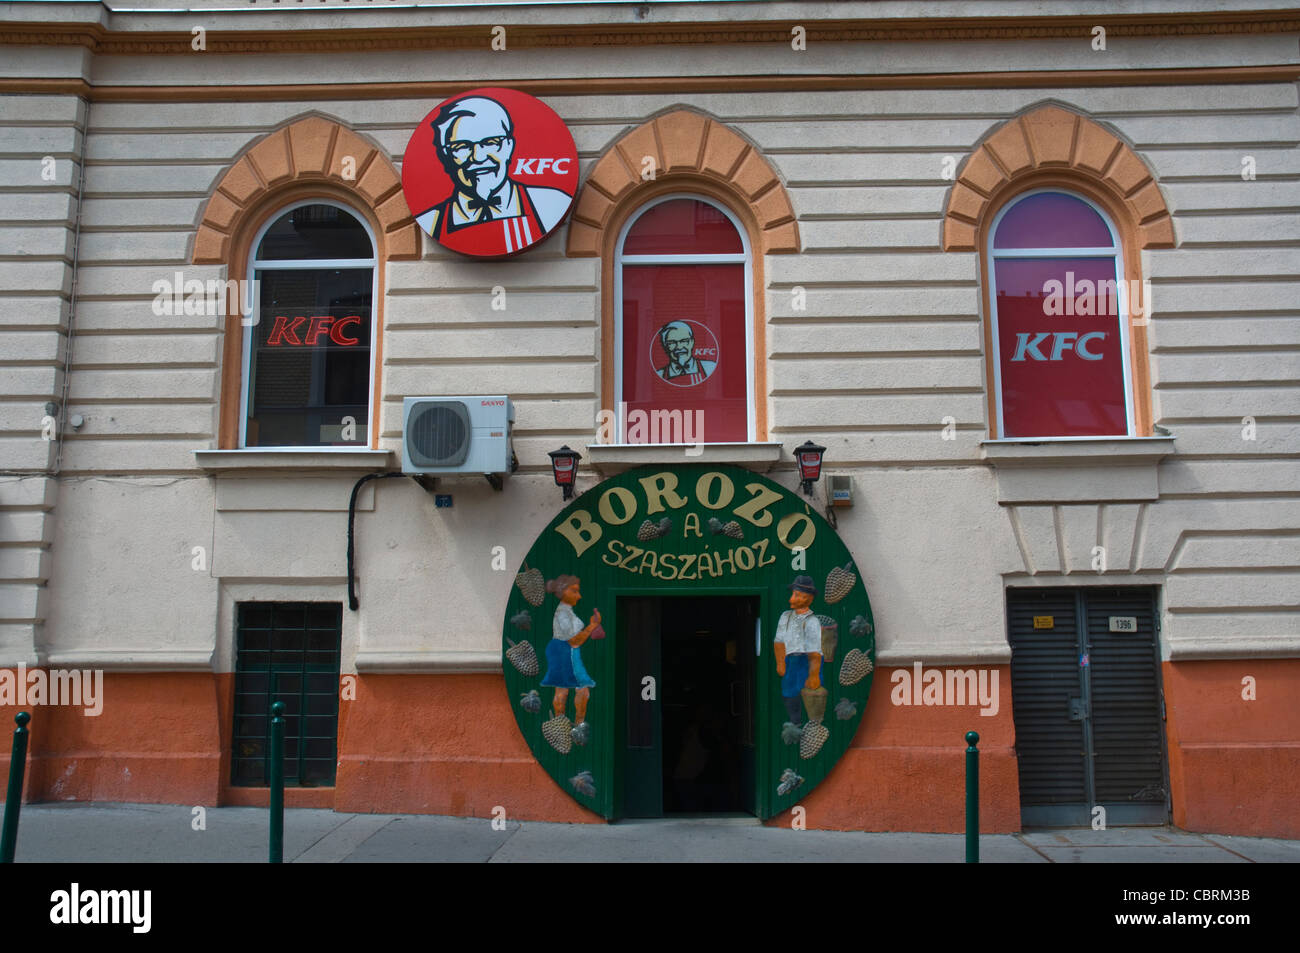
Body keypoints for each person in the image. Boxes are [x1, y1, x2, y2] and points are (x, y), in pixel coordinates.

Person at [413, 96, 573, 256]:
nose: (478, 157)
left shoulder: (548, 204)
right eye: (462, 146)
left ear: (509, 147)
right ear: (446, 155)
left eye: (490, 143)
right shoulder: (433, 220)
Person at [540, 575, 601, 734]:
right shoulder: (562, 614)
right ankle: (562, 725)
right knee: (563, 690)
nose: (579, 596)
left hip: (570, 651)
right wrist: (591, 627)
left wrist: (592, 626)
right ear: (562, 591)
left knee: (579, 689)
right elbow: (574, 640)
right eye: (574, 591)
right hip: (563, 650)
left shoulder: (567, 611)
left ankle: (576, 725)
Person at [773, 575, 822, 726]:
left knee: (810, 692)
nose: (791, 599)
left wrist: (813, 674)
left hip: (806, 661)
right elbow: (779, 642)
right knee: (789, 692)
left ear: (808, 598)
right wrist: (781, 662)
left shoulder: (812, 621)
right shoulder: (785, 617)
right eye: (793, 594)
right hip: (790, 660)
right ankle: (796, 722)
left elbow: (814, 652)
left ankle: (812, 724)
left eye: (797, 595)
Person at [656, 321, 716, 385]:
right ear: (665, 346)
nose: (679, 347)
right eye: (672, 343)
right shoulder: (659, 374)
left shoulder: (710, 367)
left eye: (684, 341)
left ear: (692, 342)